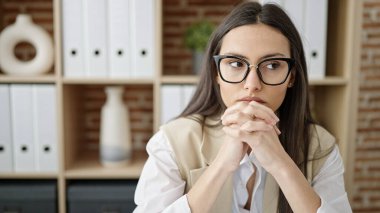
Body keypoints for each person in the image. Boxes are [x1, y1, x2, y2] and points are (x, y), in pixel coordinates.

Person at [134, 2, 352, 213]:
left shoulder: (321, 147)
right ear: (217, 73)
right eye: (236, 64)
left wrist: (281, 164)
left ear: (291, 76)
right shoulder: (171, 142)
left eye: (272, 65)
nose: (252, 85)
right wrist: (222, 165)